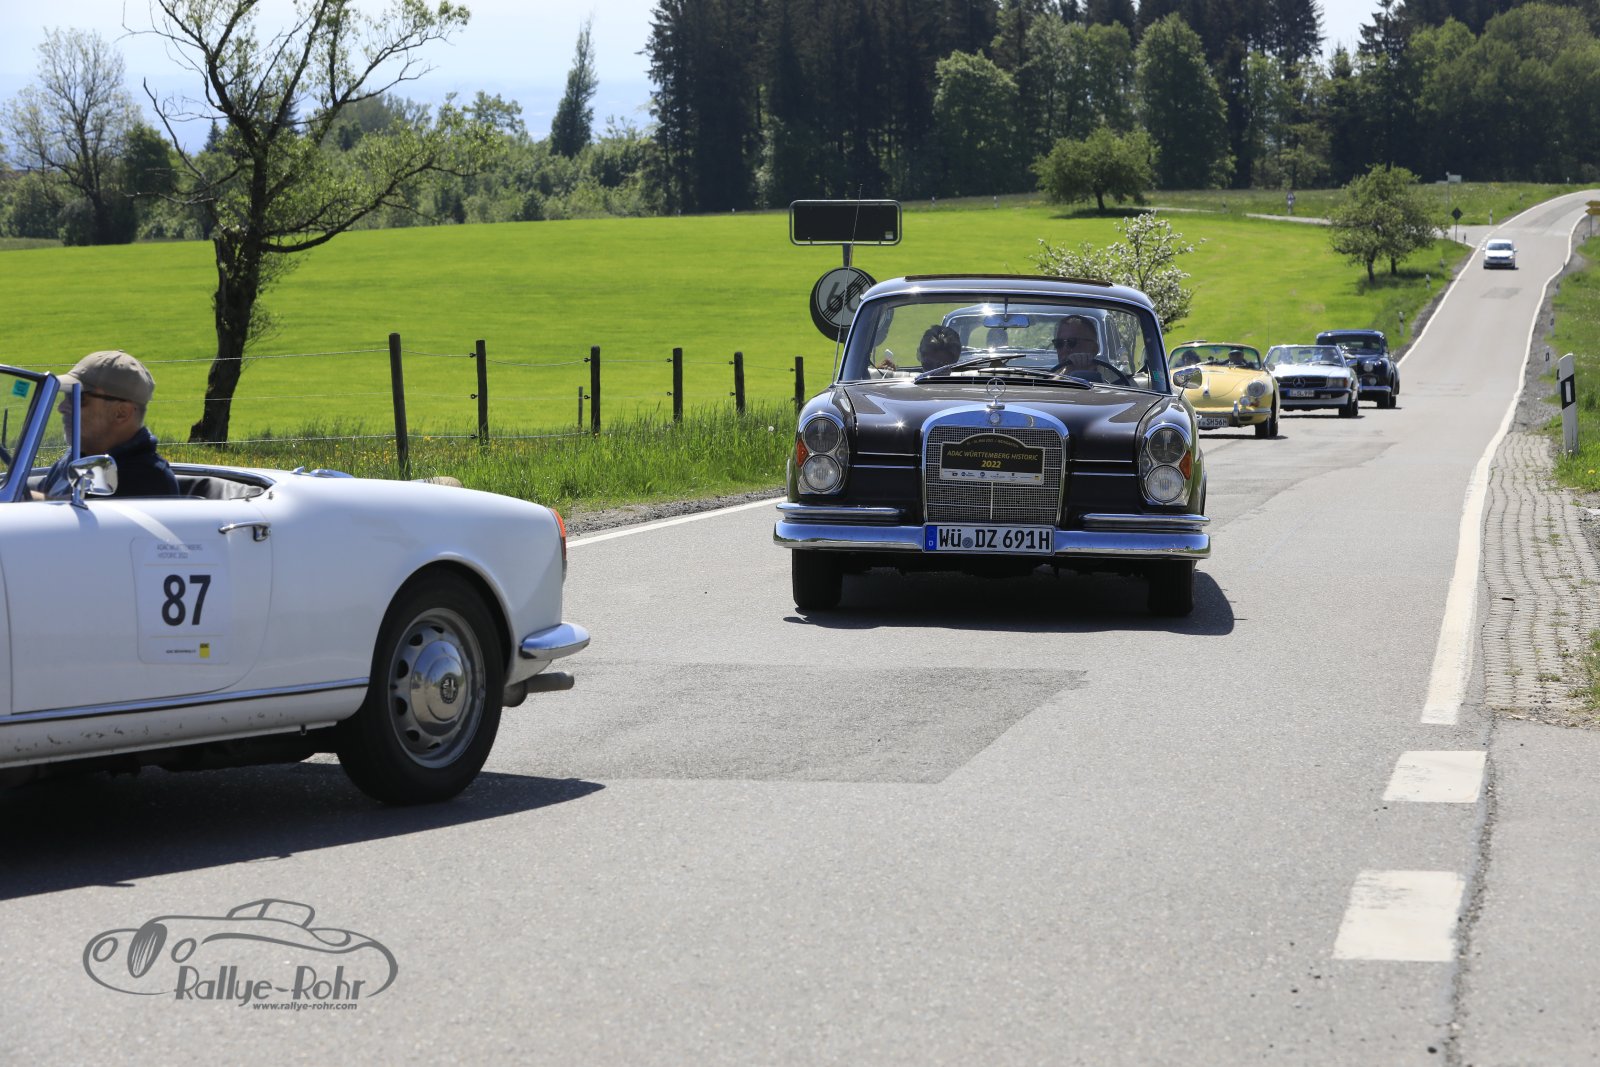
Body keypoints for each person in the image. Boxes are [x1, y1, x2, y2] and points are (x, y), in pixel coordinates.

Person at [36, 350, 178, 499]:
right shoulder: (74, 456)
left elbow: (74, 510)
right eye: (67, 395)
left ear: (121, 413)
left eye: (79, 398)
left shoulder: (148, 478)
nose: (62, 407)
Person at [1051, 315, 1110, 381]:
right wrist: (1067, 373)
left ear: (1094, 349)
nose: (1064, 349)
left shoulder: (1113, 379)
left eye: (1072, 342)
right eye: (1059, 343)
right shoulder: (1052, 376)